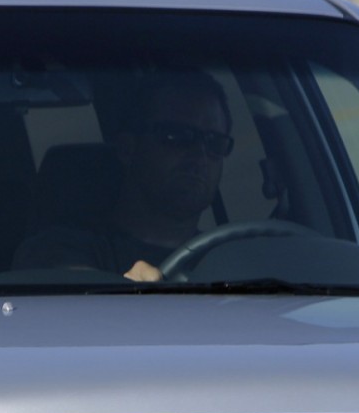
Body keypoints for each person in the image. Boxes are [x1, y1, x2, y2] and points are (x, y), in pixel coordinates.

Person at [15, 67, 234, 281]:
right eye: (177, 136)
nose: (199, 156)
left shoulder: (237, 258)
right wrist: (120, 295)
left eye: (215, 142)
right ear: (127, 148)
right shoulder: (57, 251)